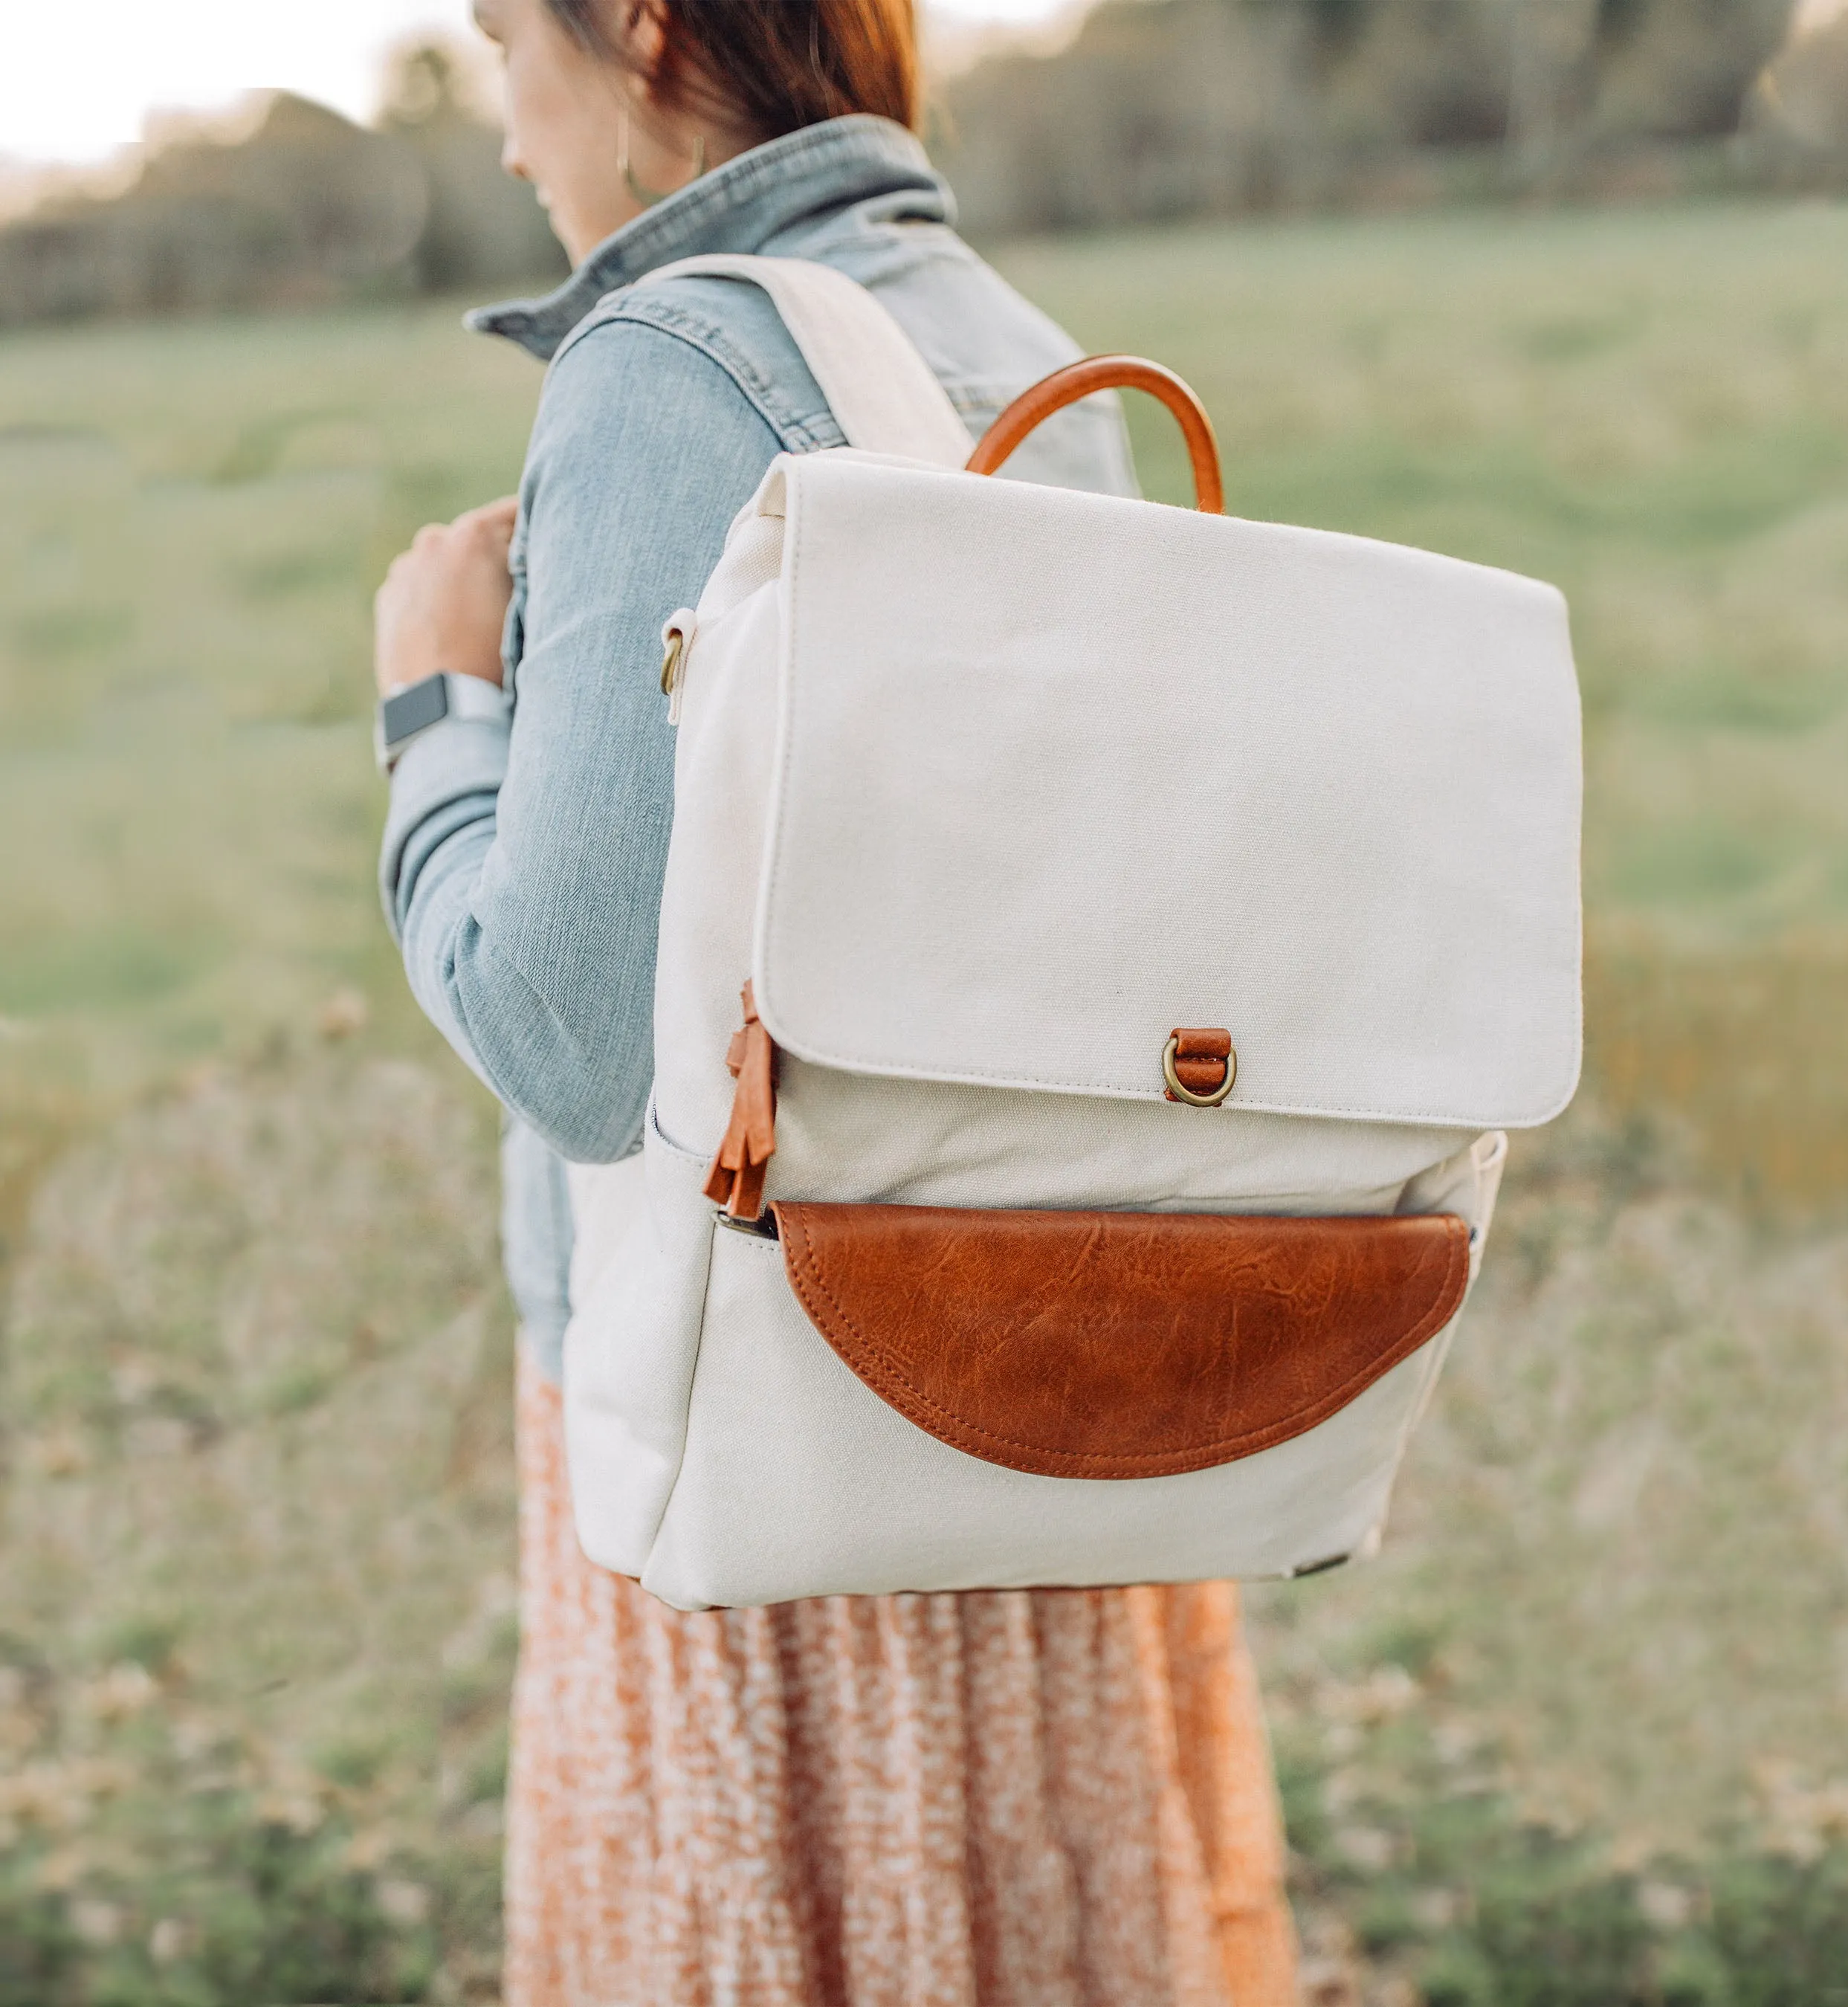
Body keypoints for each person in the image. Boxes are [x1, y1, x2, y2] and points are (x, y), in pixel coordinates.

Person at [372, 1, 1299, 1997]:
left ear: (629, 28)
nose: (509, 138)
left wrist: (434, 702)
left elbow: (568, 1033)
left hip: (765, 1442)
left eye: (494, 45)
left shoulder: (663, 364)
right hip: (1038, 1387)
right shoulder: (1028, 347)